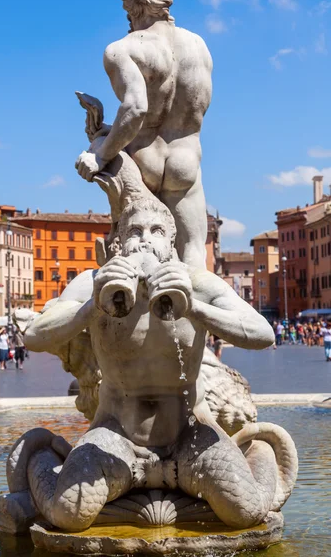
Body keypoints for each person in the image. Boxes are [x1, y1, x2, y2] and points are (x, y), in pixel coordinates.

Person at [17, 199, 275, 530]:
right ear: (119, 243)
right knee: (69, 515)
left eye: (156, 232)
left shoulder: (196, 281)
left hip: (189, 433)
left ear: (171, 243)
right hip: (117, 435)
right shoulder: (92, 281)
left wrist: (193, 306)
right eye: (134, 232)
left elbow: (262, 333)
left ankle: (260, 453)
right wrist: (92, 306)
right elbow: (34, 337)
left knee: (246, 511)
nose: (144, 240)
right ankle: (44, 455)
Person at [75, 0, 212, 269]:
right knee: (193, 259)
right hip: (186, 161)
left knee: (138, 257)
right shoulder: (199, 47)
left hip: (142, 161)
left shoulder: (122, 49)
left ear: (131, 6)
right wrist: (112, 130)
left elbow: (136, 109)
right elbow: (179, 116)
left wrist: (100, 153)